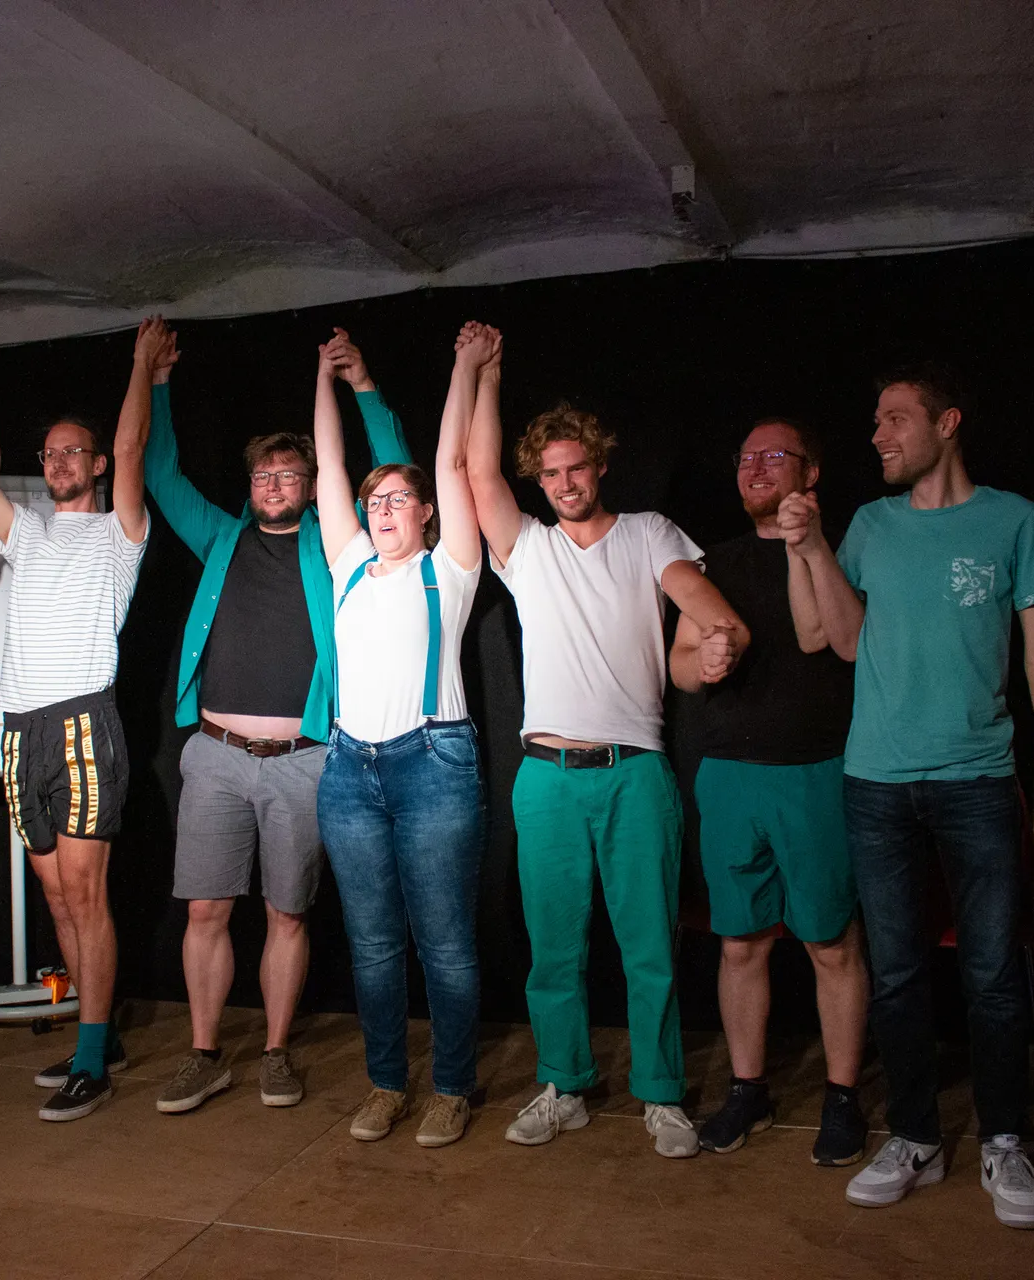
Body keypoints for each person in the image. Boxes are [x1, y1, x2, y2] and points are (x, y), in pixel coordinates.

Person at [783, 361, 1034, 1229]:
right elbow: (840, 641)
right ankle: (915, 1135)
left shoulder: (1011, 519)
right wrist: (810, 547)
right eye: (875, 420)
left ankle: (1004, 1141)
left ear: (947, 423)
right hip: (876, 783)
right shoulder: (871, 525)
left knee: (991, 975)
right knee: (900, 975)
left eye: (895, 419)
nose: (878, 435)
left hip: (979, 781)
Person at [465, 366, 750, 1159]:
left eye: (576, 468)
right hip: (546, 777)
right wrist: (484, 374)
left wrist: (719, 642)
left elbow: (712, 613)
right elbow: (479, 475)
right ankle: (565, 1084)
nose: (564, 483)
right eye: (550, 473)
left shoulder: (650, 532)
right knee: (554, 948)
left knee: (649, 945)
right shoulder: (527, 548)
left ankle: (660, 1093)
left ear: (599, 466)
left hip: (636, 772)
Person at [143, 327, 412, 1115]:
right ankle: (204, 1054)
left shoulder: (337, 542)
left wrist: (363, 386)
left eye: (290, 472)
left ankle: (273, 1051)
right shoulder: (221, 537)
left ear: (312, 483)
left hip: (303, 757)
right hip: (216, 756)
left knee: (287, 912)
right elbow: (159, 474)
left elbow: (398, 472)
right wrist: (156, 383)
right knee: (205, 909)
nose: (274, 483)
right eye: (263, 473)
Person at [0, 313, 169, 1121]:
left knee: (84, 889)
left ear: (96, 463)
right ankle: (94, 1037)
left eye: (74, 451)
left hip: (80, 723)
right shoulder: (26, 533)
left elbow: (135, 450)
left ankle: (92, 1059)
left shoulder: (119, 532)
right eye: (50, 454)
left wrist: (141, 364)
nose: (61, 462)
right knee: (57, 896)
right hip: (21, 731)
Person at [669, 418, 868, 1166]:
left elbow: (850, 644)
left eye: (774, 456)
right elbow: (679, 663)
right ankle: (748, 1090)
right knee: (740, 943)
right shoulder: (711, 564)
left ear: (810, 473)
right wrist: (702, 664)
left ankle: (842, 1097)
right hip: (729, 775)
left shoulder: (841, 548)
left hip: (816, 772)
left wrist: (808, 546)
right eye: (746, 457)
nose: (755, 467)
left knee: (831, 945)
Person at [314, 322, 491, 1148]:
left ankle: (452, 1086)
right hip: (349, 772)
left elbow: (453, 463)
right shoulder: (347, 566)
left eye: (397, 500)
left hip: (433, 766)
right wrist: (325, 379)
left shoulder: (449, 569)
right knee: (374, 946)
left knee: (445, 945)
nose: (381, 509)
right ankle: (387, 1083)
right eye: (373, 501)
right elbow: (328, 468)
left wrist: (463, 365)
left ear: (424, 513)